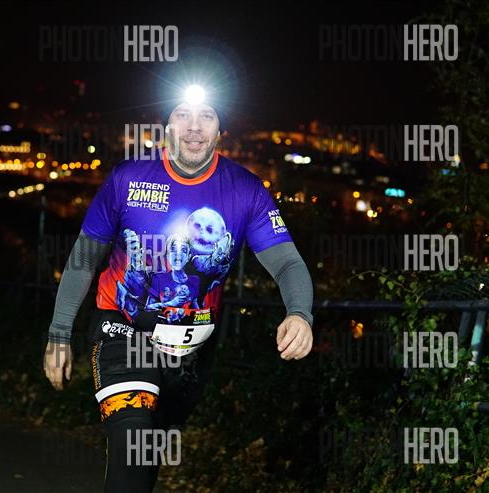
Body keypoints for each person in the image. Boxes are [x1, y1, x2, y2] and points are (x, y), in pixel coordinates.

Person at [43, 88, 314, 492]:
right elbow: (84, 258)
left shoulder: (246, 190)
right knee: (133, 442)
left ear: (220, 131)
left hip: (192, 351)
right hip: (123, 329)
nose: (193, 127)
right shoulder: (128, 178)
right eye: (183, 114)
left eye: (206, 116)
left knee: (147, 453)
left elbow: (287, 262)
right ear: (167, 125)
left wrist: (299, 313)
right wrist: (59, 334)